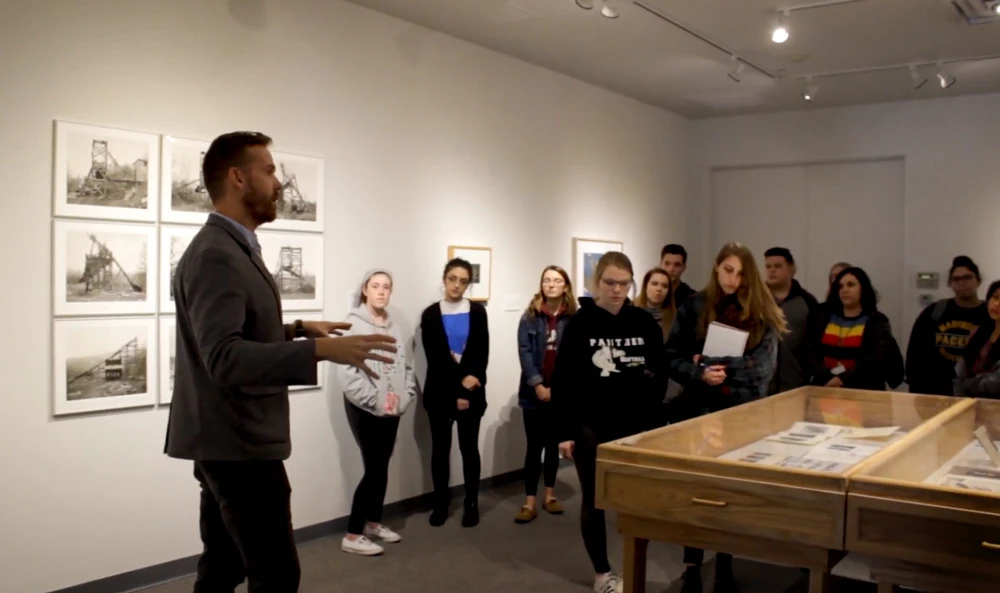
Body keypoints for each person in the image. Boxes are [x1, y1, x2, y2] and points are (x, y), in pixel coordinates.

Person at [164, 131, 397, 593]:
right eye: (268, 171)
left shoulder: (230, 248)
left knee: (225, 566)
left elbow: (231, 335)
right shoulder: (216, 254)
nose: (278, 183)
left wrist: (298, 330)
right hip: (238, 443)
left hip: (224, 440)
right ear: (237, 177)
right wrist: (317, 351)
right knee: (275, 575)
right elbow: (224, 359)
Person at [664, 242, 787, 593]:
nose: (733, 278)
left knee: (730, 495)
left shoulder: (762, 308)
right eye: (728, 270)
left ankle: (726, 566)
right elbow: (670, 358)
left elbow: (761, 369)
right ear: (717, 268)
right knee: (696, 493)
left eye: (740, 272)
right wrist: (697, 371)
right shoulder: (694, 306)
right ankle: (691, 566)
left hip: (742, 417)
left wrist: (709, 365)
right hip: (699, 412)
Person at [551, 251, 667, 593]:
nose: (617, 290)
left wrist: (651, 413)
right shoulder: (580, 325)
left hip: (635, 427)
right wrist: (565, 431)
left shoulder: (644, 323)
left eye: (624, 283)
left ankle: (635, 565)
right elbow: (564, 381)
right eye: (610, 283)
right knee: (594, 501)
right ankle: (602, 573)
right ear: (596, 282)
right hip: (591, 428)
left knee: (635, 501)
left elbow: (659, 372)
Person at [337, 269, 417, 556]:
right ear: (365, 290)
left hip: (392, 408)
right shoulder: (352, 325)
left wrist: (405, 397)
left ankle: (373, 523)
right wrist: (376, 401)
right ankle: (352, 534)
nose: (381, 292)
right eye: (375, 286)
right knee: (374, 468)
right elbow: (348, 376)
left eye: (386, 287)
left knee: (381, 466)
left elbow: (406, 366)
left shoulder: (395, 326)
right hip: (365, 409)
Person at [421, 258, 490, 528]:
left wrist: (467, 390)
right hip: (439, 394)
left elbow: (480, 354)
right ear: (444, 279)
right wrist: (457, 391)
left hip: (471, 393)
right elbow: (436, 360)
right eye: (452, 279)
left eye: (463, 281)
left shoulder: (477, 312)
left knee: (469, 449)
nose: (457, 285)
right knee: (440, 450)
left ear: (468, 284)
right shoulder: (430, 314)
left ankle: (471, 503)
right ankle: (441, 503)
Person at [514, 265, 577, 524]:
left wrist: (556, 388)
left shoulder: (573, 318)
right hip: (533, 393)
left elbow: (574, 355)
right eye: (547, 280)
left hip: (560, 393)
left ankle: (549, 495)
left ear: (565, 286)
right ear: (541, 285)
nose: (551, 285)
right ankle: (529, 500)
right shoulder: (530, 316)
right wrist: (538, 385)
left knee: (552, 446)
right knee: (533, 447)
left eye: (557, 280)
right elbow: (524, 351)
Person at [809, 267, 904, 391]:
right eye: (841, 286)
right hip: (825, 388)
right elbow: (811, 352)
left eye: (850, 285)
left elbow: (875, 358)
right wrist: (827, 377)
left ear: (862, 289)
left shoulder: (876, 321)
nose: (845, 290)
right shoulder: (824, 317)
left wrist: (841, 379)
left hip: (862, 390)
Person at [906, 256, 988, 395]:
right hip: (934, 391)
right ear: (950, 284)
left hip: (975, 393)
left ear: (978, 280)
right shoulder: (935, 311)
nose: (962, 283)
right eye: (956, 279)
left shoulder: (990, 314)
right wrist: (915, 388)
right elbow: (915, 352)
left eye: (967, 277)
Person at [763, 247, 820, 394]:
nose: (772, 270)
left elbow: (815, 344)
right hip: (761, 385)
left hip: (796, 384)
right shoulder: (756, 300)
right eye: (768, 266)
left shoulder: (807, 301)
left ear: (791, 268)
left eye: (778, 266)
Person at [954, 280, 1000, 397]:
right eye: (995, 297)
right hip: (971, 404)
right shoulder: (980, 331)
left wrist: (967, 385)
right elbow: (960, 371)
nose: (997, 304)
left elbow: (995, 383)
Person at [634, 267, 677, 339]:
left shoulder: (674, 319)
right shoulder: (631, 312)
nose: (659, 289)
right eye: (654, 284)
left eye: (664, 286)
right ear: (645, 286)